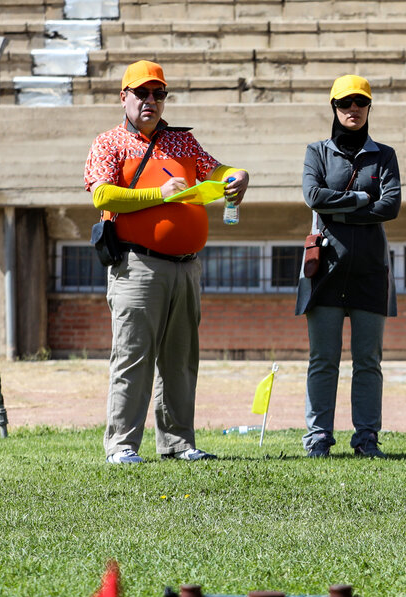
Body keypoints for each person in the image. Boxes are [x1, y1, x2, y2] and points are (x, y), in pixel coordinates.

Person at [84, 60, 249, 464]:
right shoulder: (109, 143)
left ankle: (177, 443)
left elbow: (216, 170)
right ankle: (122, 446)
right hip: (138, 266)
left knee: (180, 358)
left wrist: (237, 175)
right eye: (142, 93)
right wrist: (162, 195)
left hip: (186, 267)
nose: (151, 101)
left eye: (159, 94)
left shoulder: (182, 143)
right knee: (133, 357)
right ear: (123, 97)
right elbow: (102, 196)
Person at [297, 75, 402, 458]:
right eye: (344, 104)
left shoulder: (384, 155)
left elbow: (390, 206)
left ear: (369, 107)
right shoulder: (316, 152)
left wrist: (338, 209)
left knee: (368, 362)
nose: (352, 109)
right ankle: (318, 439)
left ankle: (366, 439)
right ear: (334, 109)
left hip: (371, 272)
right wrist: (361, 198)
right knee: (323, 360)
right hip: (324, 270)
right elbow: (313, 196)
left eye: (359, 102)